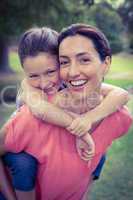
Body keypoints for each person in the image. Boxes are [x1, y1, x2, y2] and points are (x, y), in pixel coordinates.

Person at [0, 25, 132, 200]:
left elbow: (121, 94)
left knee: (99, 156)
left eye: (51, 72)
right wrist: (81, 130)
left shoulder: (71, 81)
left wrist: (90, 118)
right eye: (33, 76)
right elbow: (41, 111)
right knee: (23, 164)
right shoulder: (31, 94)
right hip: (17, 150)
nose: (45, 83)